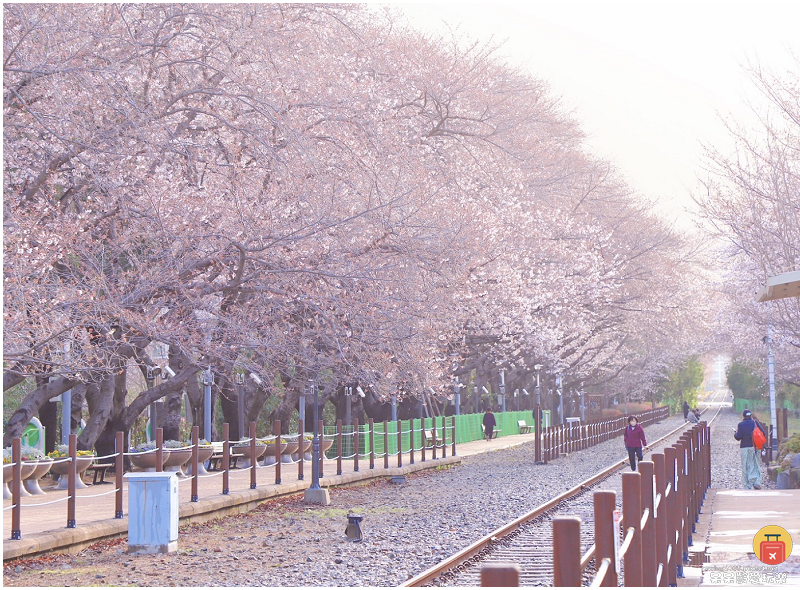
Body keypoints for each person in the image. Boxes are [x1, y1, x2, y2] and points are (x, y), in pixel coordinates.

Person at [733, 409, 764, 489]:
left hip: (744, 448)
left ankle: (747, 485)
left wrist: (735, 433)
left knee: (745, 465)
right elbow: (763, 432)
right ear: (750, 415)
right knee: (755, 464)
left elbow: (738, 437)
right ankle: (757, 482)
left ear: (743, 416)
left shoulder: (741, 425)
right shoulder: (755, 423)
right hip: (754, 447)